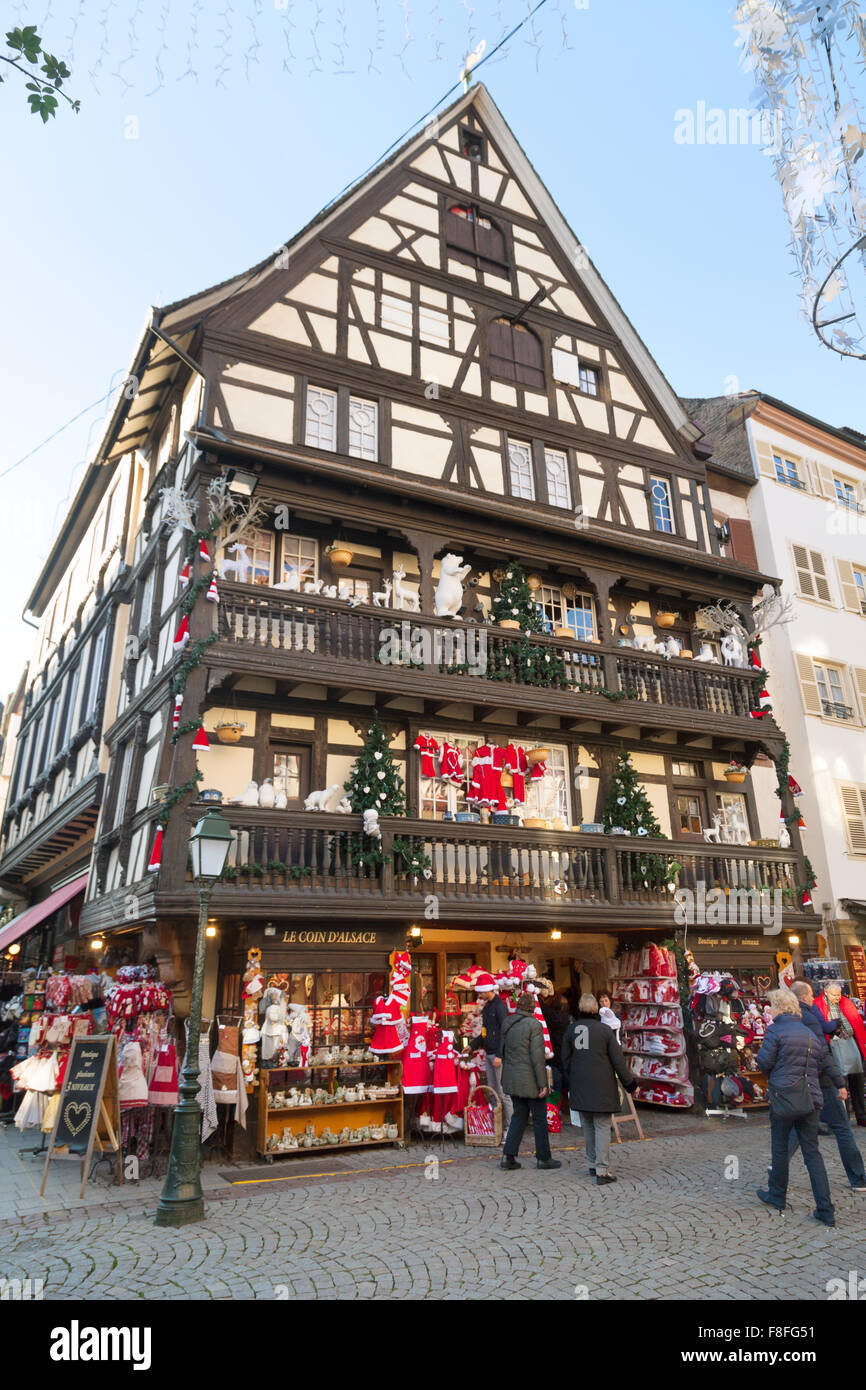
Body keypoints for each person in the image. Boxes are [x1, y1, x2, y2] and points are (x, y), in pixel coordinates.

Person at [756, 988, 836, 1227]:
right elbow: (821, 1061)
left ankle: (777, 1196)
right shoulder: (809, 1033)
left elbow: (764, 1063)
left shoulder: (776, 1030)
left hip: (785, 1097)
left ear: (778, 1007)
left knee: (780, 1147)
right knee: (813, 1153)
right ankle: (826, 1209)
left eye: (771, 1006)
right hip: (811, 1098)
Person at [790, 980, 866, 1192]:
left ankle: (777, 1171)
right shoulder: (812, 1014)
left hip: (801, 1078)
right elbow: (822, 1050)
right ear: (807, 996)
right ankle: (858, 1178)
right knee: (841, 1127)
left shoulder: (788, 1017)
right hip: (820, 1076)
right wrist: (838, 1081)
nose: (836, 998)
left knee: (799, 1126)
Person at [562, 992, 636, 1186]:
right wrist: (629, 1083)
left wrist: (573, 1078)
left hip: (580, 1083)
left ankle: (592, 1163)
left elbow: (565, 1059)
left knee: (587, 1124)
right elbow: (618, 1060)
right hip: (601, 1084)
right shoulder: (604, 1031)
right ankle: (602, 1170)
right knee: (602, 1125)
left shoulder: (571, 1030)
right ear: (596, 1009)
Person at [499, 993, 561, 1171]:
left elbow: (502, 1051)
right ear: (532, 1008)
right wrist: (543, 1083)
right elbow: (537, 1057)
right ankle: (544, 1157)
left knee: (519, 1115)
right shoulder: (534, 1025)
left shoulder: (507, 1022)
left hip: (512, 1077)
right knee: (540, 1118)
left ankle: (508, 1156)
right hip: (530, 1079)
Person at [814, 980, 866, 1126]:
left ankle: (861, 1114)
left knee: (857, 1079)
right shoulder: (818, 1004)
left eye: (838, 994)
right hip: (832, 1046)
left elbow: (856, 1023)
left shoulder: (847, 1003)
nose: (837, 997)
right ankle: (843, 1116)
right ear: (826, 992)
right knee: (840, 1082)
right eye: (834, 995)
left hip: (851, 1044)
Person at [475, 973, 513, 1131]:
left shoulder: (499, 1006)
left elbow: (505, 1031)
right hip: (488, 1052)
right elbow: (485, 1031)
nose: (479, 995)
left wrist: (500, 1054)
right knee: (492, 1090)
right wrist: (473, 1045)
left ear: (487, 990)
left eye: (480, 992)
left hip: (497, 1055)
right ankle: (496, 1125)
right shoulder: (488, 1006)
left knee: (503, 1093)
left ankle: (510, 1128)